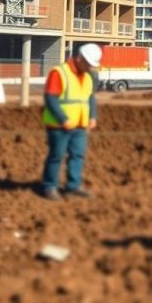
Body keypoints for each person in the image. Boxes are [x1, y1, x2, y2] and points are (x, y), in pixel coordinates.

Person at [41, 43, 101, 201]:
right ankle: (50, 186)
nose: (90, 68)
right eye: (88, 64)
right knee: (56, 155)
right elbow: (50, 98)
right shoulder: (59, 73)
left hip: (80, 125)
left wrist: (92, 117)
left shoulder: (88, 76)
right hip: (59, 125)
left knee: (78, 155)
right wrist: (63, 119)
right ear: (80, 58)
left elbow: (90, 98)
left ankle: (73, 186)